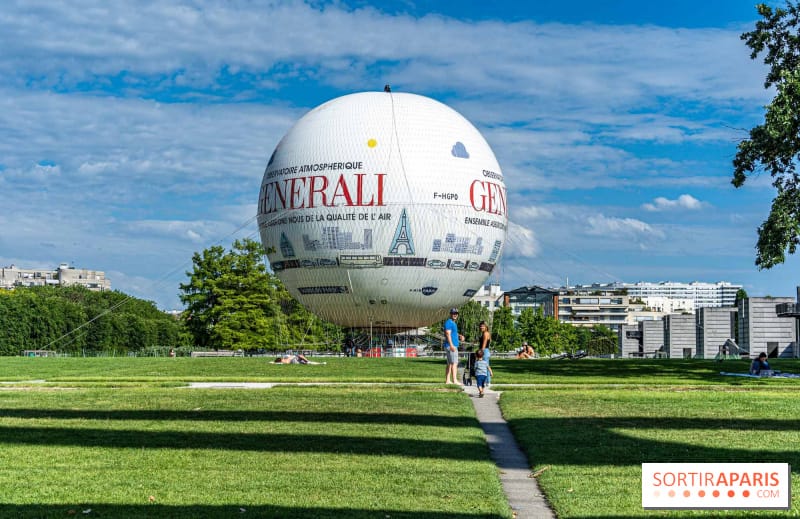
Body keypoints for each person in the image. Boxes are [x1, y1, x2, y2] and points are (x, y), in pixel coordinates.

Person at [444, 307, 464, 384]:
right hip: (452, 346)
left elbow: (452, 333)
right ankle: (455, 380)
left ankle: (448, 380)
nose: (455, 315)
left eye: (456, 313)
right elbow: (448, 334)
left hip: (449, 345)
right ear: (450, 314)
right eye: (453, 313)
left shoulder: (452, 323)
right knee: (454, 363)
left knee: (449, 363)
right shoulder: (449, 322)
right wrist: (452, 345)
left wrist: (459, 336)